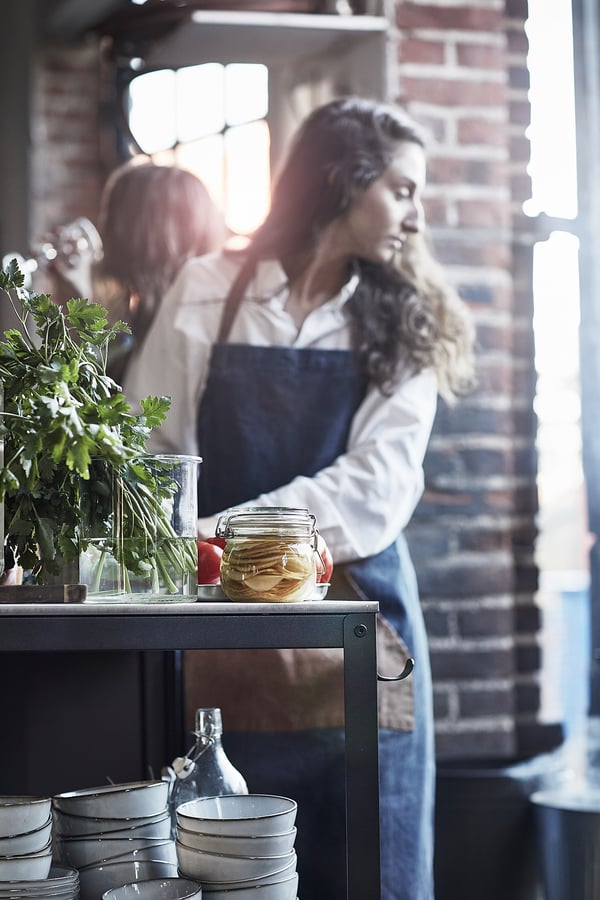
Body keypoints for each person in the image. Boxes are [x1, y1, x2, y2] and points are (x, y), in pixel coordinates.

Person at [124, 96, 476, 900]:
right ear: (340, 181)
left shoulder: (406, 323)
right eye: (403, 189)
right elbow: (154, 452)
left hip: (358, 630)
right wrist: (187, 543)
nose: (416, 218)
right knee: (229, 870)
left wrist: (225, 531)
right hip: (222, 634)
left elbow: (377, 488)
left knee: (371, 868)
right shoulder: (208, 288)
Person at [47, 159, 227, 383]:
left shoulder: (179, 332)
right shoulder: (149, 318)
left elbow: (107, 405)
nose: (104, 233)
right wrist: (77, 298)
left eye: (111, 219)